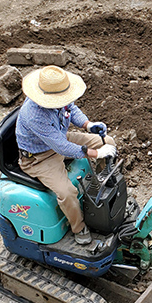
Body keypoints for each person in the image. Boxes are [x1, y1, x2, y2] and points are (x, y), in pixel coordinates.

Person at [16, 65, 117, 246]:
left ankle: (103, 185)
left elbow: (71, 109)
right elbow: (62, 147)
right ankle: (79, 228)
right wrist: (96, 153)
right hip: (38, 158)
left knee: (107, 141)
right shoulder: (34, 115)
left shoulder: (59, 99)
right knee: (68, 192)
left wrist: (88, 125)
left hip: (58, 138)